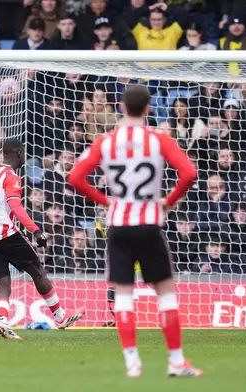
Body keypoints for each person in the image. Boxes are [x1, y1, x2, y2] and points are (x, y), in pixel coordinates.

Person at [67, 85, 201, 378]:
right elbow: (189, 173)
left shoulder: (106, 141)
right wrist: (169, 201)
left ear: (122, 108)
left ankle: (132, 363)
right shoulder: (159, 139)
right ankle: (176, 361)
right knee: (165, 294)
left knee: (123, 296)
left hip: (118, 226)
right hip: (149, 224)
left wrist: (105, 201)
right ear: (149, 109)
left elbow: (74, 177)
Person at [0, 139, 84, 340]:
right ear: (18, 153)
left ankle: (1, 321)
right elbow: (16, 207)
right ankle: (60, 317)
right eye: (23, 152)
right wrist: (36, 231)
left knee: (3, 285)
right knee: (37, 270)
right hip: (6, 234)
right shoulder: (12, 177)